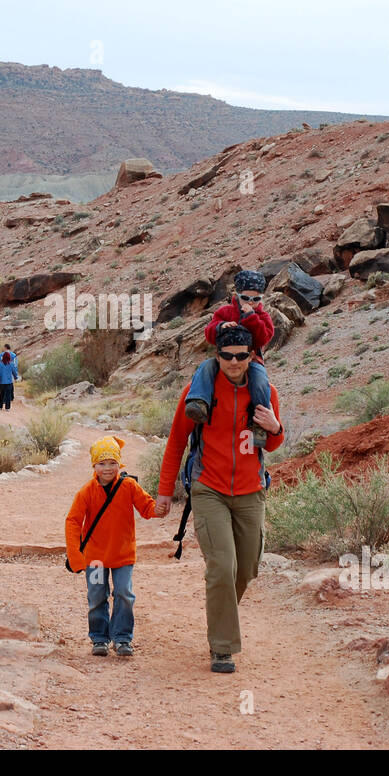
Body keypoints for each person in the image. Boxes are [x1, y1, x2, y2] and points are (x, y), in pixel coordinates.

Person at [157, 325, 283, 674]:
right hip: (208, 489)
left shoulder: (264, 392)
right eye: (227, 355)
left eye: (242, 355)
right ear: (217, 355)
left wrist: (274, 427)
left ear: (251, 356)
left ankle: (221, 612)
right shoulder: (197, 393)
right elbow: (176, 443)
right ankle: (222, 647)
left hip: (250, 491)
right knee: (222, 566)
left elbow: (268, 445)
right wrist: (165, 492)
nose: (234, 362)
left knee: (247, 567)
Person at [65, 436, 165, 657]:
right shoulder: (87, 491)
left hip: (122, 555)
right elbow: (72, 521)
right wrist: (75, 556)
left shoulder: (129, 486)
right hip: (96, 558)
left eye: (112, 462)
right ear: (94, 465)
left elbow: (146, 506)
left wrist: (159, 508)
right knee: (97, 596)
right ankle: (99, 638)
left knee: (123, 593)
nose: (108, 468)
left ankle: (122, 638)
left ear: (120, 464)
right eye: (102, 463)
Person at [185, 270, 276, 444]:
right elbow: (209, 333)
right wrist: (220, 327)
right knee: (205, 368)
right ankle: (199, 403)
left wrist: (251, 318)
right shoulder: (225, 312)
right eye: (246, 298)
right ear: (237, 295)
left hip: (251, 361)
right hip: (223, 359)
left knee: (260, 380)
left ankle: (258, 424)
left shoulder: (262, 316)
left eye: (256, 299)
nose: (251, 302)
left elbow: (263, 338)